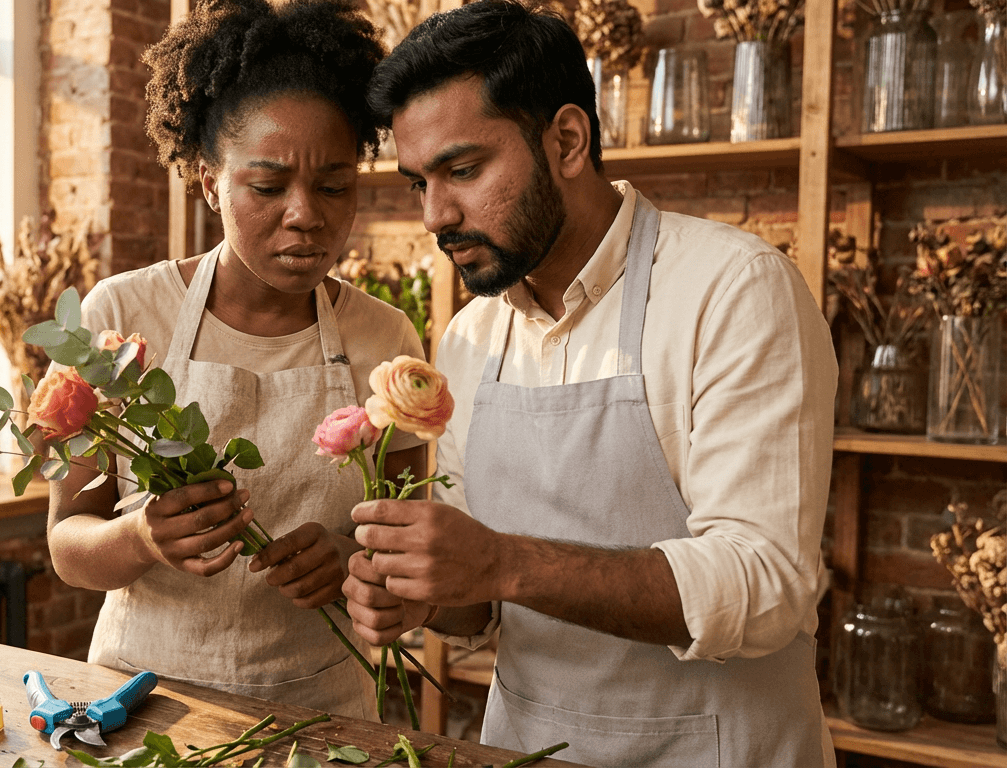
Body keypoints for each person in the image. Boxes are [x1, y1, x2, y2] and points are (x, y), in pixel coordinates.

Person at [340, 1, 839, 764]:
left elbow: (766, 583)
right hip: (527, 747)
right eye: (419, 183)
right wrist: (426, 593)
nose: (437, 215)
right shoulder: (474, 334)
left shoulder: (734, 289)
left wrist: (505, 561)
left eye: (464, 170)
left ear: (567, 140)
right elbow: (477, 604)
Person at [44, 0, 427, 720]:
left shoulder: (386, 341)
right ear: (204, 175)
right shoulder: (121, 318)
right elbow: (68, 546)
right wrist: (140, 536)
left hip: (324, 714)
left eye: (336, 185)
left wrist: (353, 560)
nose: (306, 213)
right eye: (267, 185)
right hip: (140, 703)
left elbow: (410, 555)